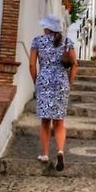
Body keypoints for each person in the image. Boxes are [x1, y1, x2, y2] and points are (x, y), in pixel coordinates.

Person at [29, 15, 78, 171]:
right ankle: (60, 151)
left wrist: (36, 81)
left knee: (45, 121)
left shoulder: (37, 41)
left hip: (44, 82)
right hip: (61, 82)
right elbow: (74, 65)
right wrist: (69, 82)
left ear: (46, 28)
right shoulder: (67, 42)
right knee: (59, 121)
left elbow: (32, 65)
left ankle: (44, 154)